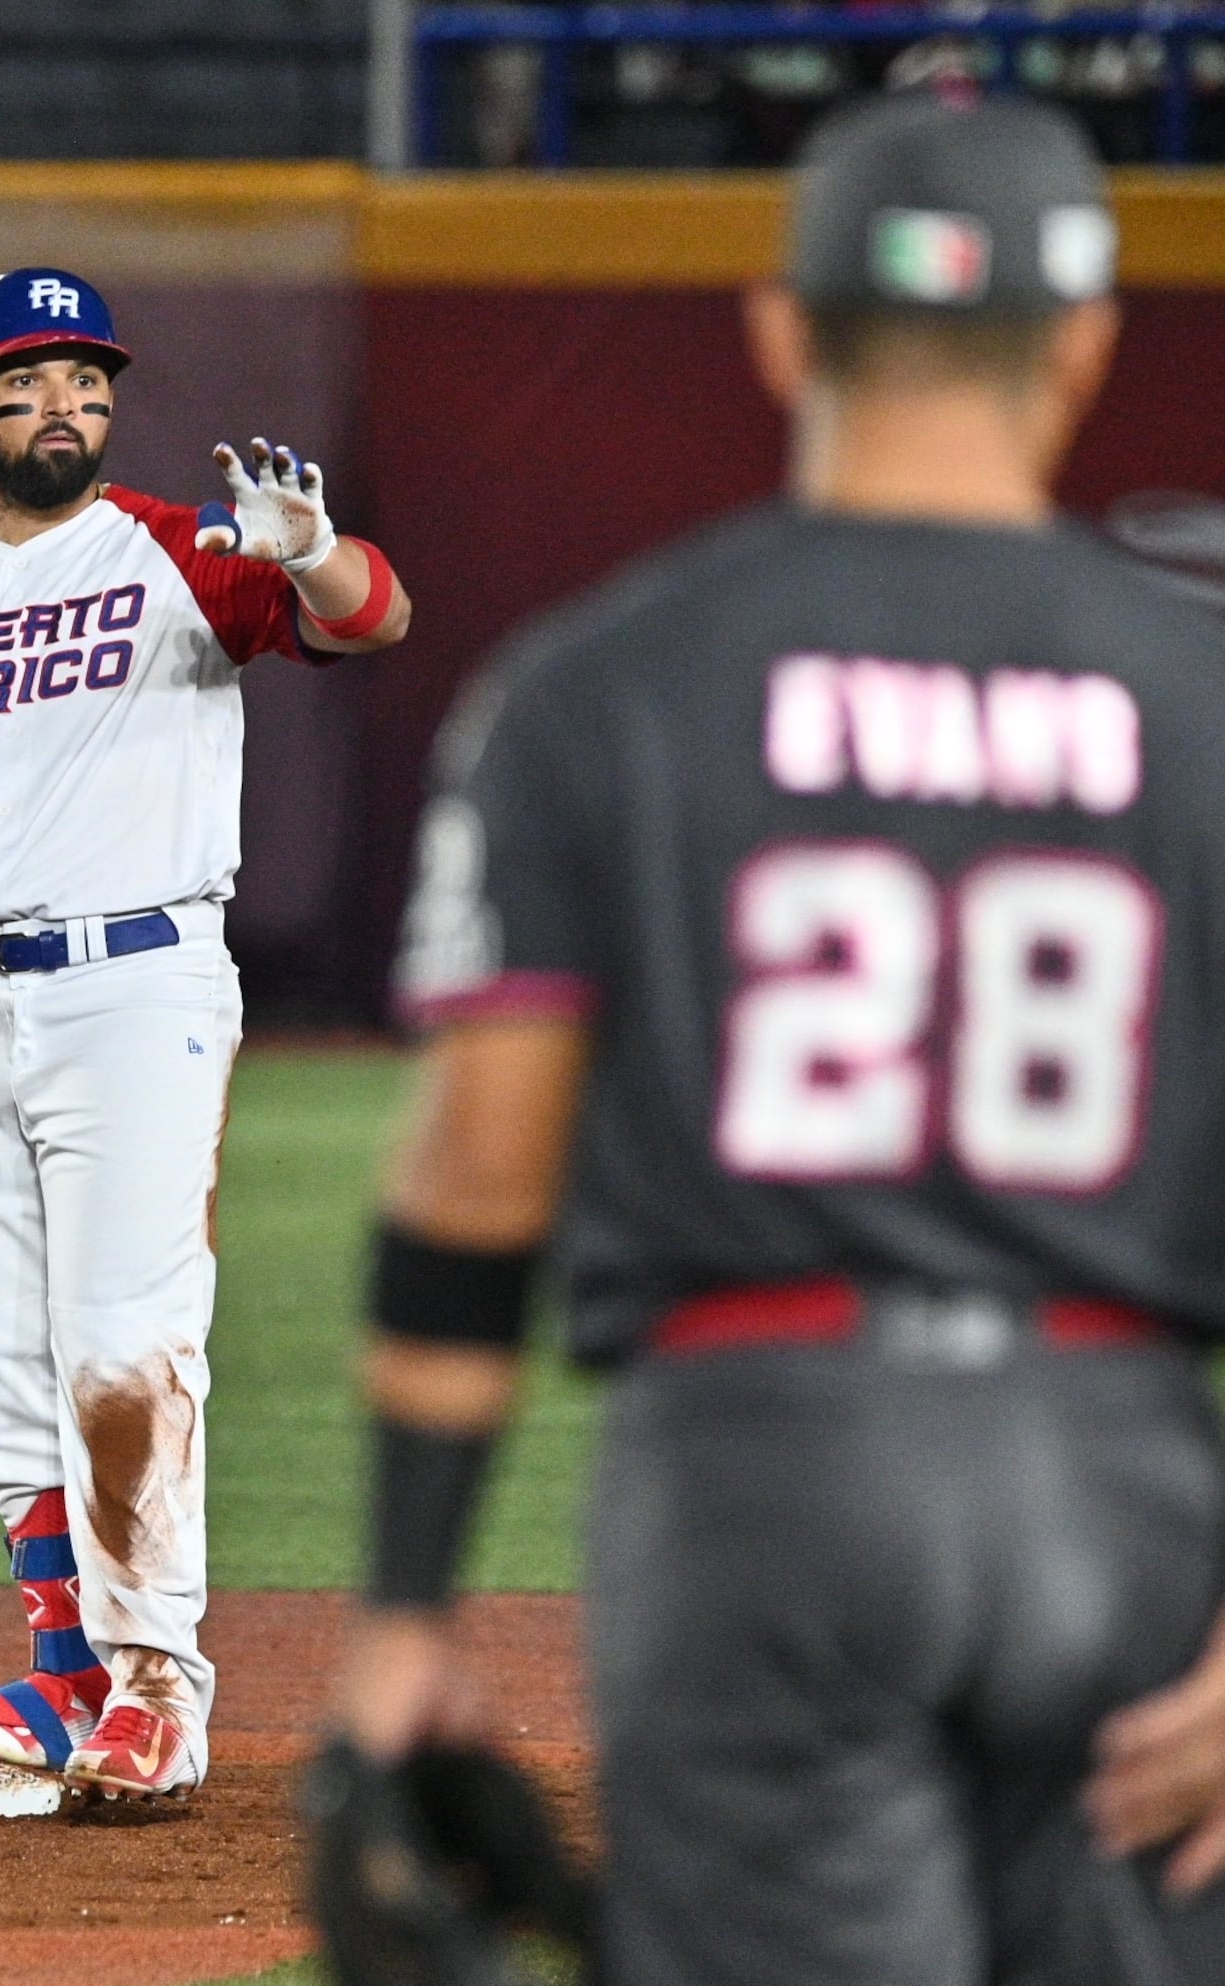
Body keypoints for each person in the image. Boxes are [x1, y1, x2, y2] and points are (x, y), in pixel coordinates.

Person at [329, 95, 1225, 1980]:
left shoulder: (602, 683)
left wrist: (408, 1615)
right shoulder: (1196, 695)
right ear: (1082, 344)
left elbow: (479, 1172)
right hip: (1116, 1477)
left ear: (779, 328)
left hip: (761, 1471)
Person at [0, 268, 413, 1799]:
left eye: (89, 379)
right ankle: (65, 1668)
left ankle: (161, 1678)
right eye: (29, 379)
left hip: (137, 978)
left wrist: (323, 555)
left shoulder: (178, 553)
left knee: (123, 1341)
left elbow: (371, 619)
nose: (66, 405)